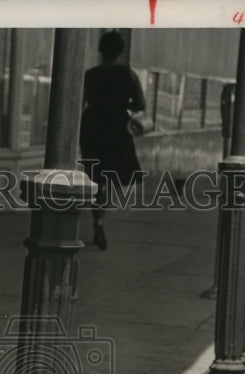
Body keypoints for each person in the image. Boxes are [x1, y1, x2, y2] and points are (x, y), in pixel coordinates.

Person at [80, 30, 146, 251]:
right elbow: (140, 105)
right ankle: (99, 219)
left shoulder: (90, 75)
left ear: (101, 50)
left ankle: (97, 217)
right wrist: (121, 103)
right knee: (108, 178)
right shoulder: (129, 75)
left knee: (96, 176)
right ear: (120, 52)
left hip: (92, 127)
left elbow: (82, 102)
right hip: (115, 128)